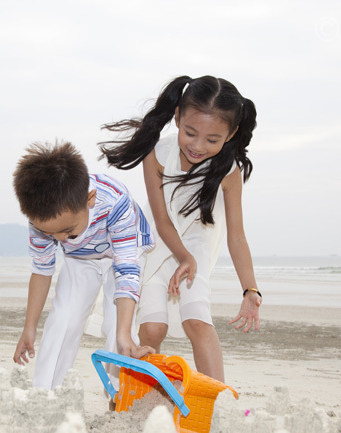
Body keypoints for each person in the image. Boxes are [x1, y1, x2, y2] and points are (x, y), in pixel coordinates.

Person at [100, 75, 262, 383]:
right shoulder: (157, 154)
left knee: (196, 320)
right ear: (177, 118)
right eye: (190, 133)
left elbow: (236, 236)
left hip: (196, 249)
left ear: (231, 134)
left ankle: (217, 399)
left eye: (212, 139)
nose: (198, 146)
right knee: (152, 329)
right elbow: (161, 221)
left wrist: (250, 289)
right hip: (156, 247)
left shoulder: (229, 172)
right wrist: (182, 256)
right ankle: (136, 394)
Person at [12, 140, 155, 390]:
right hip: (79, 256)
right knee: (63, 318)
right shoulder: (42, 216)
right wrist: (29, 328)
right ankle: (45, 395)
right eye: (50, 233)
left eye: (67, 229)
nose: (59, 239)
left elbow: (126, 270)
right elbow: (42, 269)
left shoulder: (114, 201)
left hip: (123, 252)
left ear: (90, 199)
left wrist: (122, 333)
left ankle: (119, 397)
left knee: (118, 327)